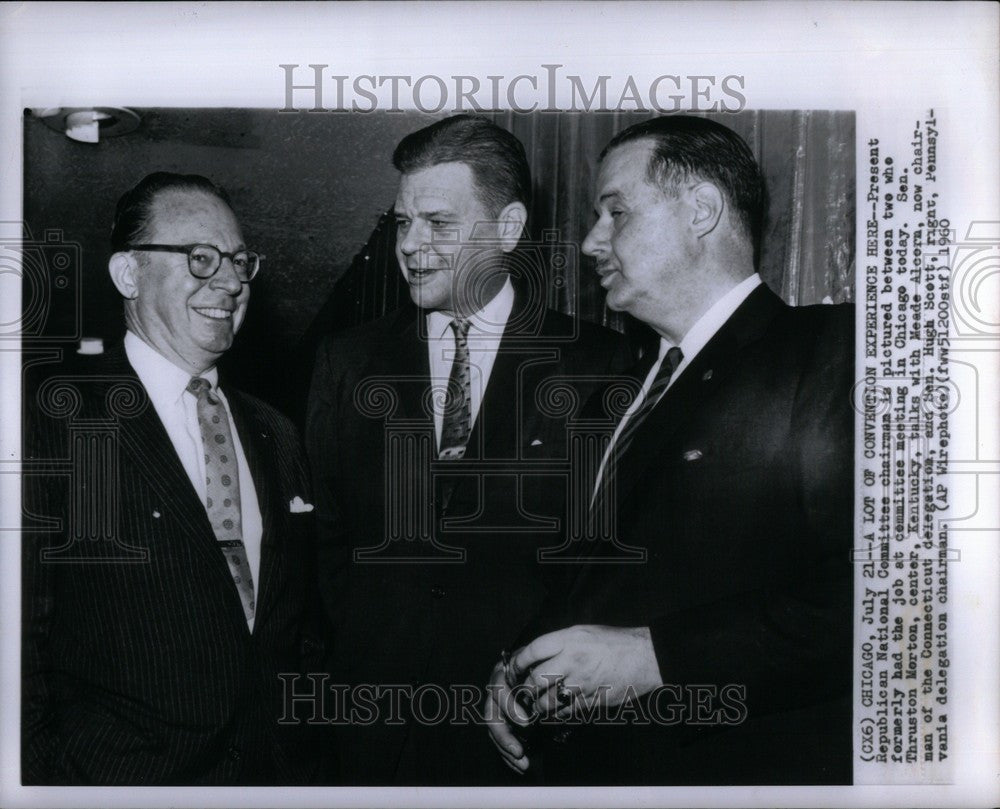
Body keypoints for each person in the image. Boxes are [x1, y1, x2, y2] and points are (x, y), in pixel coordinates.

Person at [486, 115, 855, 785]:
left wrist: (659, 659)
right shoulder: (615, 390)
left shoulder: (830, 352)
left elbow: (876, 601)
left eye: (615, 212)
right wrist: (516, 671)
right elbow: (580, 577)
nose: (593, 240)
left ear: (702, 211)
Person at [306, 115, 629, 784]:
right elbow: (329, 547)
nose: (411, 245)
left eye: (438, 223)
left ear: (507, 228)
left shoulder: (598, 365)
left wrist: (529, 683)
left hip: (518, 733)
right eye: (402, 223)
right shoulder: (346, 362)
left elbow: (600, 564)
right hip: (369, 732)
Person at [22, 173, 326, 785]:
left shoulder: (276, 432)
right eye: (200, 257)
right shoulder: (52, 420)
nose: (233, 281)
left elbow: (298, 627)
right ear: (129, 276)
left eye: (241, 261)